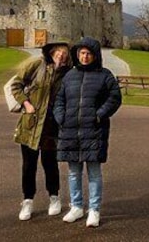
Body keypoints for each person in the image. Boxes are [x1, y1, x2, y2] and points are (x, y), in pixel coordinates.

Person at [53, 36, 122, 228]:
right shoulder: (69, 76)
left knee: (94, 172)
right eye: (82, 53)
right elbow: (59, 100)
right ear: (77, 54)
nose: (84, 56)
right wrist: (61, 117)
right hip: (71, 131)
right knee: (74, 172)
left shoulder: (104, 75)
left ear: (95, 55)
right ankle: (76, 206)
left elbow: (115, 97)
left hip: (94, 131)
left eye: (88, 53)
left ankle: (94, 209)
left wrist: (99, 115)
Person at [9, 40, 72, 221]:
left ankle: (54, 197)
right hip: (31, 124)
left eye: (65, 52)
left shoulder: (67, 74)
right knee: (29, 166)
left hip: (52, 126)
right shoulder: (38, 65)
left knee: (50, 163)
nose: (61, 55)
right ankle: (27, 201)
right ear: (52, 51)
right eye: (59, 51)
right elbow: (16, 85)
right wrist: (26, 103)